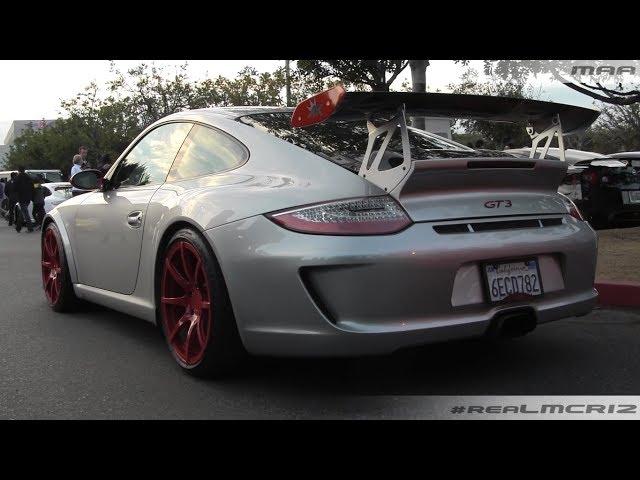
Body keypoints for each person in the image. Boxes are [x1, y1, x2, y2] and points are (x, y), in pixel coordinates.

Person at [14, 166, 35, 232]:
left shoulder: (18, 178)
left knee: (25, 213)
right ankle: (18, 228)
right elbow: (34, 186)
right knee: (22, 212)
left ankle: (30, 228)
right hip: (28, 198)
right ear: (24, 170)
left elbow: (15, 188)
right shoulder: (28, 177)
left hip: (21, 198)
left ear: (18, 170)